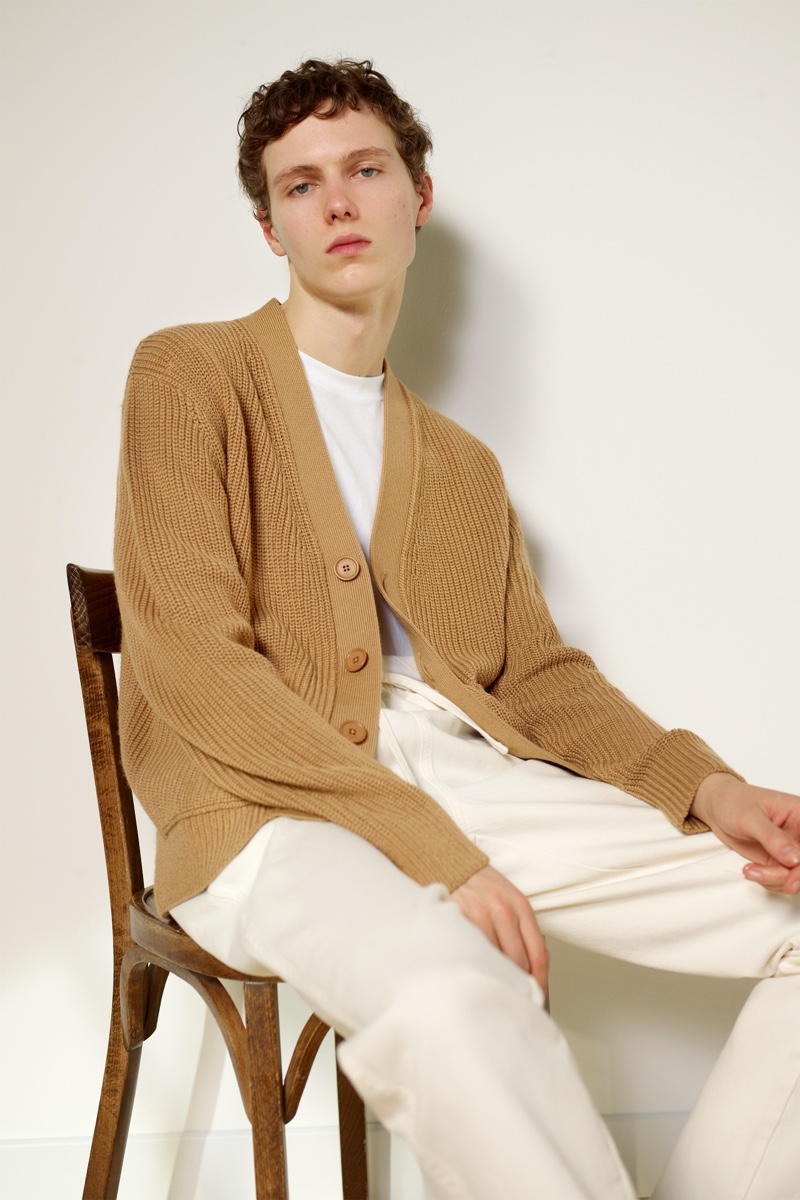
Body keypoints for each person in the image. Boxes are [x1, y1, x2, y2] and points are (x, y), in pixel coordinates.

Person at [114, 58, 799, 1200]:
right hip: (261, 801)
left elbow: (537, 680)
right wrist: (433, 852)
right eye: (300, 186)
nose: (336, 202)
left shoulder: (461, 467)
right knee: (450, 996)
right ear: (269, 227)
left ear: (418, 195)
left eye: (365, 170)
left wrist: (708, 788)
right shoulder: (190, 374)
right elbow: (192, 660)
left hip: (463, 775)